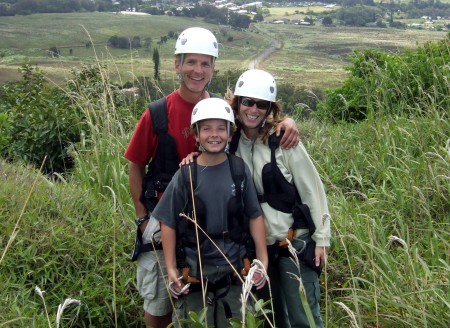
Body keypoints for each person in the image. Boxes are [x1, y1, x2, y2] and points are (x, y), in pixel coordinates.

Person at [124, 27, 300, 328]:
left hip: (213, 222)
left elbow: (254, 113)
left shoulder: (223, 109)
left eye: (205, 63)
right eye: (190, 62)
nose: (197, 70)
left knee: (208, 302)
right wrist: (142, 218)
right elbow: (136, 166)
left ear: (213, 68)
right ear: (176, 65)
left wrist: (285, 120)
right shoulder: (156, 114)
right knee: (159, 299)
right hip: (163, 214)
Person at [228, 69, 331, 328]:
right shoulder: (230, 142)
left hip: (293, 243)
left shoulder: (284, 141)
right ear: (237, 104)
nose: (253, 109)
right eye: (247, 102)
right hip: (257, 249)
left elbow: (312, 191)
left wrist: (322, 239)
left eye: (261, 104)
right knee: (270, 319)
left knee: (303, 317)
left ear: (269, 108)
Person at [153, 97, 268, 327]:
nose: (214, 135)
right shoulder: (186, 174)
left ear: (229, 132)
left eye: (220, 129)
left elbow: (255, 215)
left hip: (234, 271)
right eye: (206, 129)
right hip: (195, 272)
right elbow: (168, 222)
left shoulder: (238, 169)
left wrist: (262, 260)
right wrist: (171, 268)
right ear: (196, 135)